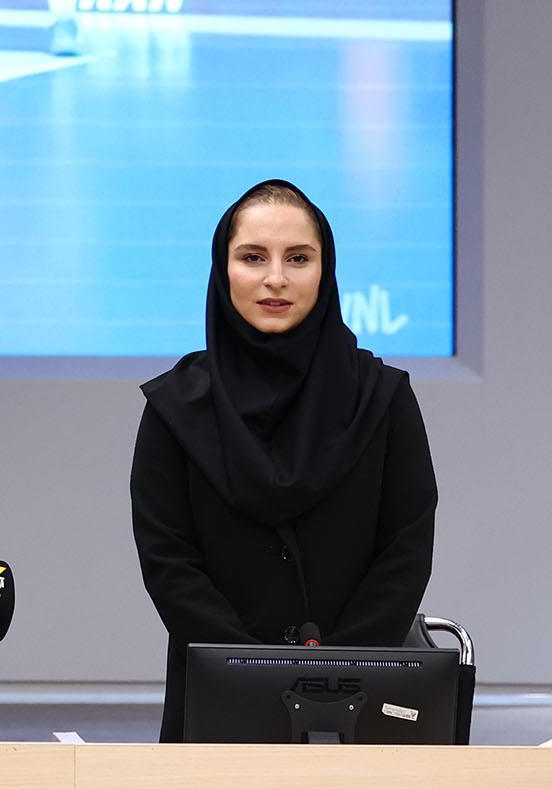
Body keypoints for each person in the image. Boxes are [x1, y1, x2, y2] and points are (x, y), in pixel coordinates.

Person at [131, 180, 437, 743]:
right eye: (253, 257)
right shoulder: (176, 406)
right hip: (220, 703)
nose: (276, 278)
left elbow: (406, 550)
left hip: (360, 705)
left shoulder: (382, 397)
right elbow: (168, 562)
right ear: (223, 270)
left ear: (326, 270)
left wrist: (334, 672)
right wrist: (254, 672)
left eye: (298, 258)